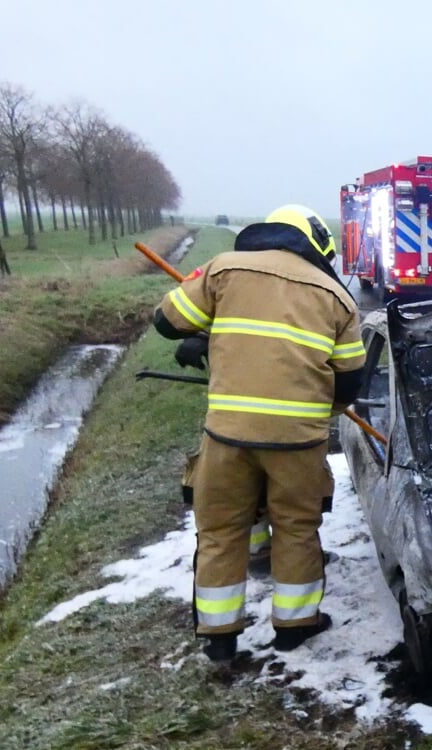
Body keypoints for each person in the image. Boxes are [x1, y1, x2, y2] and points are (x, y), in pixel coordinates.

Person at [152, 204, 366, 662]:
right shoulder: (338, 296)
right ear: (316, 247)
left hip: (227, 436)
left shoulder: (224, 270)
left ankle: (219, 638)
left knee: (221, 531)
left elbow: (167, 323)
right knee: (297, 529)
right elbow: (349, 382)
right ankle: (294, 627)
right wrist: (314, 413)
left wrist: (211, 331)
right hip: (299, 442)